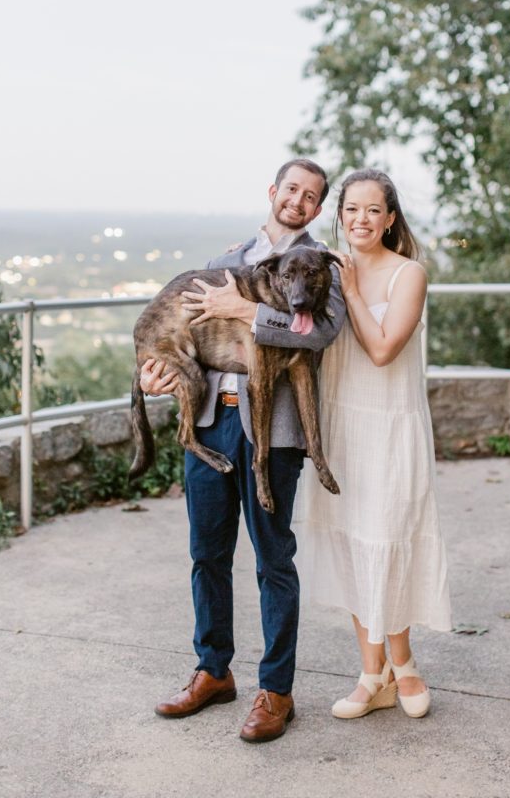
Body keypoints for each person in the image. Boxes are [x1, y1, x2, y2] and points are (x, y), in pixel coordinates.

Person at [140, 159, 345, 743]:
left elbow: (323, 330)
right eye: (291, 190)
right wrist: (157, 376)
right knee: (207, 554)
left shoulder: (324, 267)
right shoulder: (224, 261)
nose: (298, 202)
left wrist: (248, 311)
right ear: (273, 192)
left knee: (273, 560)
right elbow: (186, 336)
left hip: (274, 435)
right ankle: (213, 671)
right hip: (209, 422)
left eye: (311, 196)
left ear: (318, 208)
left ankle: (276, 690)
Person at [298, 168, 451, 719]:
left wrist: (354, 291)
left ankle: (404, 664)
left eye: (372, 210)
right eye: (351, 209)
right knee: (353, 545)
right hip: (341, 428)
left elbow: (383, 350)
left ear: (390, 219)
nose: (360, 219)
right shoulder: (324, 268)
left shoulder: (409, 273)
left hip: (390, 427)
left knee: (389, 541)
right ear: (339, 215)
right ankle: (372, 674)